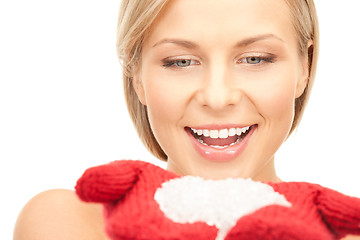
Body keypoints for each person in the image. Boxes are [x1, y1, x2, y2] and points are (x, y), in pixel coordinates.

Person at [12, 0, 360, 239]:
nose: (218, 97)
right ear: (137, 76)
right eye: (180, 61)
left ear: (305, 67)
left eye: (255, 59)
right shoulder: (68, 221)